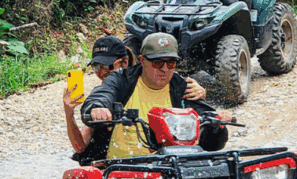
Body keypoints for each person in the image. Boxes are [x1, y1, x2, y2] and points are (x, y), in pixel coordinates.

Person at [80, 32, 228, 163]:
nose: (164, 69)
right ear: (143, 60)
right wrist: (97, 107)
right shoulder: (122, 79)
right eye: (158, 63)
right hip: (122, 169)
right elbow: (103, 93)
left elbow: (211, 144)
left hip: (169, 167)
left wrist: (217, 127)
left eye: (171, 63)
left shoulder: (183, 86)